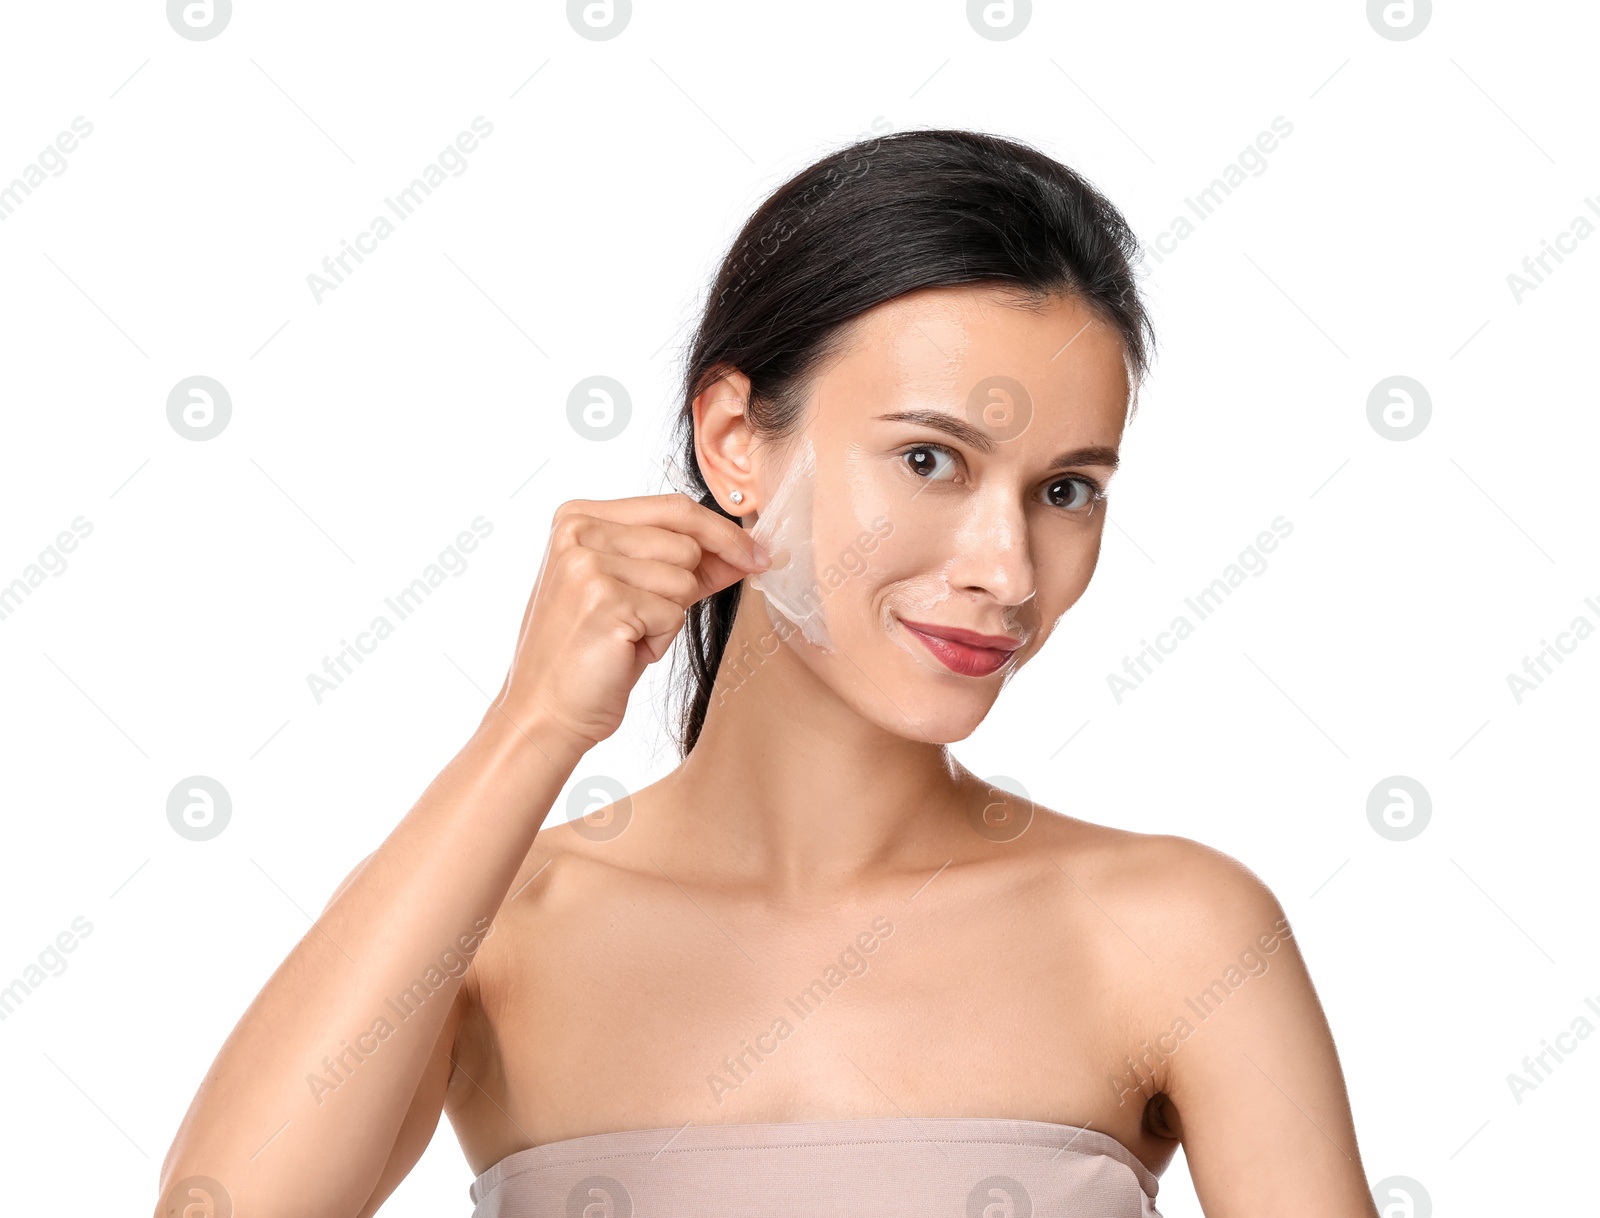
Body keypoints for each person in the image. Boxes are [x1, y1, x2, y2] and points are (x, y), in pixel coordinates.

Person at [157, 129, 1379, 1218]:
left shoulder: (1173, 933)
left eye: (1064, 491)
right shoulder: (501, 927)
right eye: (930, 461)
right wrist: (533, 724)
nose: (1007, 570)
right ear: (736, 443)